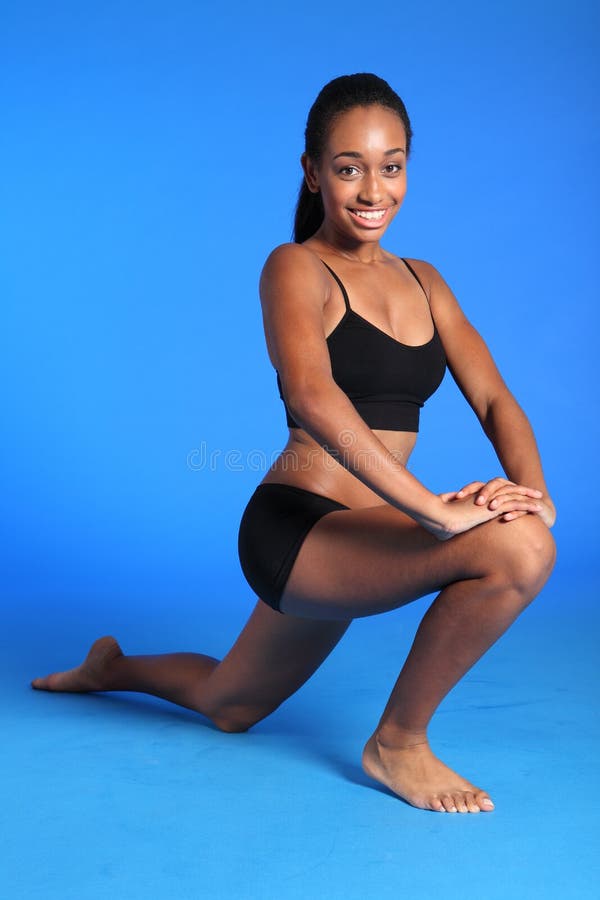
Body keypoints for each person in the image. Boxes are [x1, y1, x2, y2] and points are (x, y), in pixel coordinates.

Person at [32, 73, 556, 814]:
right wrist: (435, 513)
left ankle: (110, 668)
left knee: (231, 704)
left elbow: (497, 398)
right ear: (313, 172)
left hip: (360, 542)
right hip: (298, 529)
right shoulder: (295, 267)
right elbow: (314, 396)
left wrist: (533, 492)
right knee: (521, 549)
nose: (373, 189)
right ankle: (398, 743)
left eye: (392, 165)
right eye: (349, 168)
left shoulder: (426, 281)